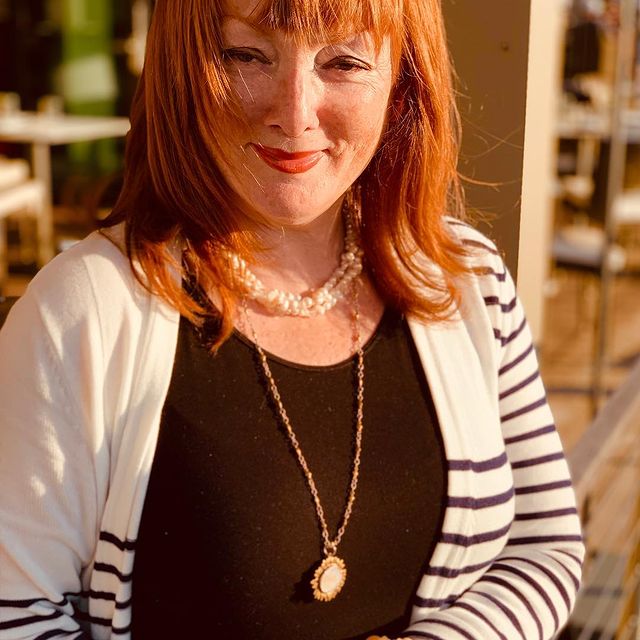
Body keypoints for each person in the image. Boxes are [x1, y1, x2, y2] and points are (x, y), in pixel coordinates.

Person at [0, 0, 584, 638]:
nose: (296, 111)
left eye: (344, 62)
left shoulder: (466, 280)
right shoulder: (83, 310)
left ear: (404, 79)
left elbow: (545, 545)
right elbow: (16, 612)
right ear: (180, 69)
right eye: (245, 55)